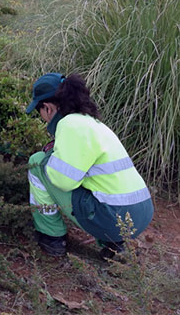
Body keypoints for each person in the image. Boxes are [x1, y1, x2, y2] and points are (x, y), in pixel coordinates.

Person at [25, 73, 153, 259]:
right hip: (140, 214)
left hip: (115, 218)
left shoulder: (69, 124)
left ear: (48, 108)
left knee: (36, 162)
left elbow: (63, 181)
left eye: (39, 112)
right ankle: (116, 245)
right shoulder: (95, 124)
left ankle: (51, 237)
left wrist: (49, 157)